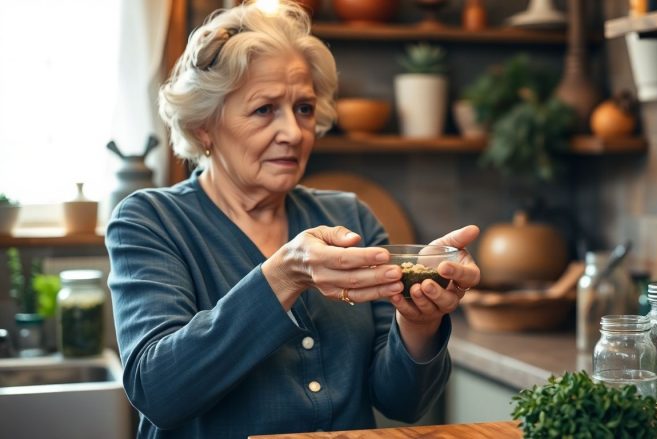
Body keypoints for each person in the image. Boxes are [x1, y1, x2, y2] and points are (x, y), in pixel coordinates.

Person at [105, 2, 481, 438]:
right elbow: (158, 390)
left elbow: (402, 402)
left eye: (303, 109)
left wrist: (418, 319)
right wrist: (282, 277)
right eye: (265, 109)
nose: (294, 132)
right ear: (204, 125)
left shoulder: (349, 214)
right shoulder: (150, 221)